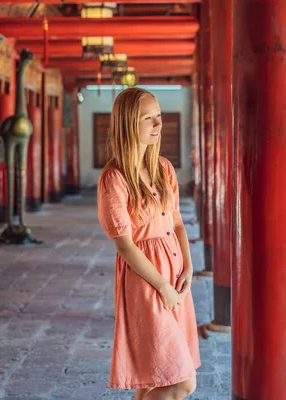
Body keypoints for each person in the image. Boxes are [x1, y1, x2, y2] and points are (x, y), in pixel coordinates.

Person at [97, 87, 200, 399]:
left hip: (175, 276)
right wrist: (162, 286)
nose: (158, 125)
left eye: (159, 118)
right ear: (130, 123)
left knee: (152, 380)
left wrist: (189, 267)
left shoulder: (163, 168)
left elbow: (177, 222)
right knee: (182, 382)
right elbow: (125, 244)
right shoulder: (114, 178)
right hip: (147, 281)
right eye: (148, 119)